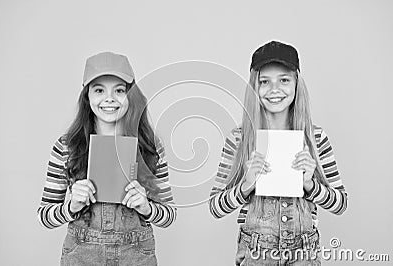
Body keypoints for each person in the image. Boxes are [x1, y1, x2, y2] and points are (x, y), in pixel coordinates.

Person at [209, 41, 348, 265]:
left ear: (296, 84)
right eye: (265, 82)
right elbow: (215, 207)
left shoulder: (315, 137)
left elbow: (340, 204)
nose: (275, 90)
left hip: (304, 253)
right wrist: (247, 185)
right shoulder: (240, 139)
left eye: (284, 80)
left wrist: (310, 185)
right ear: (255, 87)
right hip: (256, 253)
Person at [37, 52, 176, 266]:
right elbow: (44, 216)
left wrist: (147, 207)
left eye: (119, 90)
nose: (109, 99)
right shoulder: (66, 147)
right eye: (99, 90)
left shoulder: (150, 147)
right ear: (87, 96)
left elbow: (169, 215)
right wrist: (71, 206)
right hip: (82, 255)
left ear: (131, 95)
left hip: (136, 255)